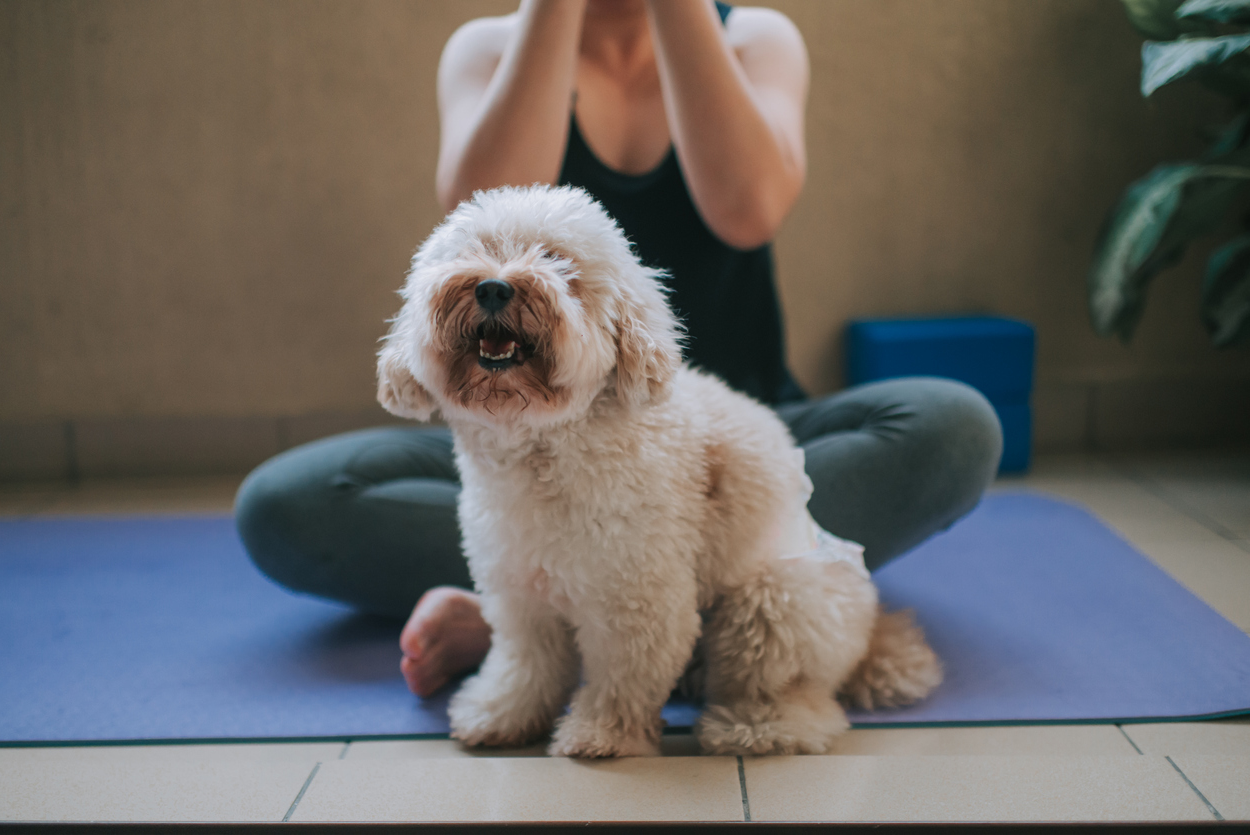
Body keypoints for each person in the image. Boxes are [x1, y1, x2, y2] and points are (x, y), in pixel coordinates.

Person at [235, 0, 1002, 700]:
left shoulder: (755, 39)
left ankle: (616, 612)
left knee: (955, 426)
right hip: (520, 453)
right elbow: (494, 211)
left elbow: (747, 210)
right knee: (283, 505)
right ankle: (546, 609)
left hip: (735, 455)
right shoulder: (484, 49)